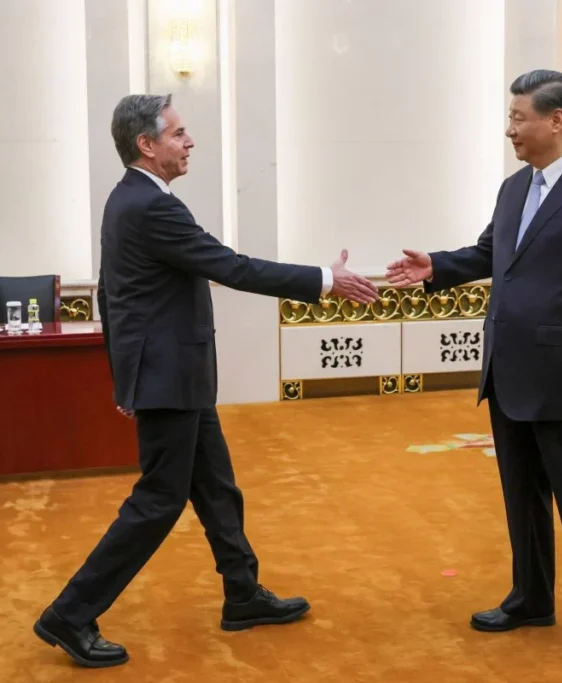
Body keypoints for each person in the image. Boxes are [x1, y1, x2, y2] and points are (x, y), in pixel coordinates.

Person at [33, 93, 379, 668]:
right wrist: (325, 279)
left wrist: (126, 378)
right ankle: (70, 613)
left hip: (176, 375)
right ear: (147, 144)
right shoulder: (150, 205)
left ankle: (242, 593)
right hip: (170, 378)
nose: (189, 141)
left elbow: (110, 295)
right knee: (158, 501)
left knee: (217, 488)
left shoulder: (129, 199)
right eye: (178, 133)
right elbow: (231, 266)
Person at [386, 70, 562, 669]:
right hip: (509, 373)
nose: (510, 130)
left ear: (556, 120)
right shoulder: (513, 188)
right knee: (522, 498)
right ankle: (531, 598)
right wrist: (437, 267)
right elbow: (491, 252)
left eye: (518, 118)